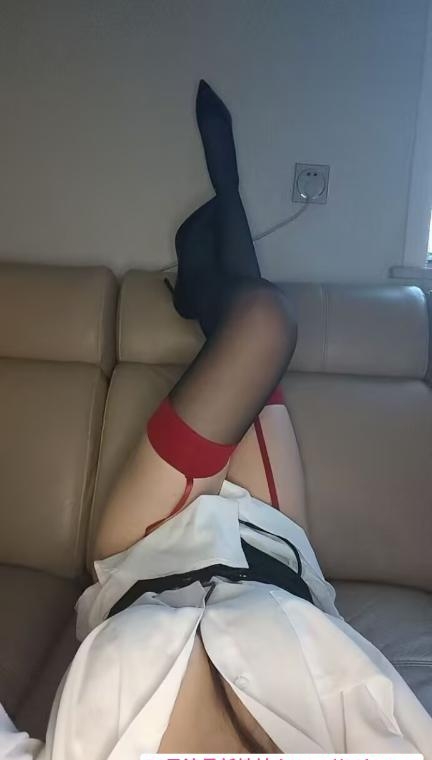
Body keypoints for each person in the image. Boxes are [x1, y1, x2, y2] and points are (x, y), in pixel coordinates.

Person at [1, 80, 432, 759]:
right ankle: (214, 256)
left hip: (150, 550)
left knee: (261, 325)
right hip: (273, 546)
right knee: (262, 325)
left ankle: (210, 268)